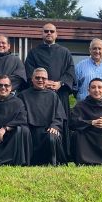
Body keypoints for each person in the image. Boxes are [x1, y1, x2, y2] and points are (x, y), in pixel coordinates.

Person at [24, 23, 75, 155]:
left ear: (56, 34)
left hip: (60, 94)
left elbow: (70, 71)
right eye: (46, 31)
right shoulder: (33, 53)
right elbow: (29, 72)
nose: (49, 33)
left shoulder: (65, 52)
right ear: (42, 34)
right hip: (38, 97)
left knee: (60, 122)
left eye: (52, 31)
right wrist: (43, 84)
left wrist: (61, 83)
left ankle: (61, 154)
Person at [18, 68, 67, 165]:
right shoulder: (23, 95)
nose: (40, 80)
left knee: (53, 135)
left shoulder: (53, 96)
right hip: (30, 131)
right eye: (37, 78)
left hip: (47, 130)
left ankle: (53, 162)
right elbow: (20, 115)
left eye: (43, 78)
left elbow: (59, 116)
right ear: (32, 79)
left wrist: (55, 126)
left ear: (47, 80)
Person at [75, 38, 102, 104]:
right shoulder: (80, 66)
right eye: (94, 48)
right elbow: (75, 89)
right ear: (90, 50)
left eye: (99, 48)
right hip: (85, 108)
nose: (97, 51)